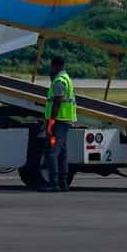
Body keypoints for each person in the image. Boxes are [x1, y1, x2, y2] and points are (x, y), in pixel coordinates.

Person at [44, 53, 76, 191]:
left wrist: (51, 121)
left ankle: (54, 183)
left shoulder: (58, 81)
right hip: (66, 119)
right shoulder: (66, 78)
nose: (50, 69)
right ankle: (63, 183)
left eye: (51, 66)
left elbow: (57, 101)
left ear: (56, 66)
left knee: (52, 152)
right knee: (62, 152)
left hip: (59, 121)